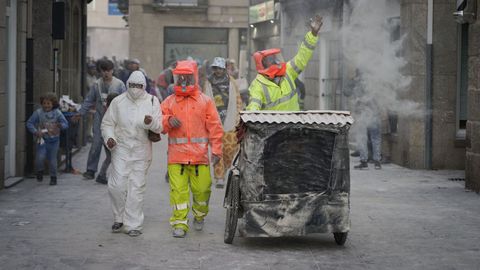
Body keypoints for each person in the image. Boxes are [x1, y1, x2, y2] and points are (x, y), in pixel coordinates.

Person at [161, 60, 223, 238]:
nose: (183, 81)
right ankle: (179, 223)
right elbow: (159, 124)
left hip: (199, 158)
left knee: (203, 190)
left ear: (194, 78)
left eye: (187, 78)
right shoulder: (169, 101)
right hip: (176, 158)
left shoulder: (205, 101)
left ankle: (199, 214)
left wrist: (217, 151)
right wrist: (167, 121)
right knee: (178, 192)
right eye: (180, 78)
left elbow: (215, 128)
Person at [101, 71, 162, 237]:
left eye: (139, 86)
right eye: (132, 85)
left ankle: (133, 224)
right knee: (117, 185)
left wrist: (151, 122)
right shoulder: (118, 102)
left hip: (142, 149)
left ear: (144, 86)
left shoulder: (152, 101)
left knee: (136, 186)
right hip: (121, 148)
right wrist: (110, 138)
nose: (135, 89)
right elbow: (107, 124)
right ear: (127, 85)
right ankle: (119, 217)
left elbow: (159, 127)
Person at [246, 15, 323, 111]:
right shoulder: (258, 85)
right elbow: (253, 107)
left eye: (274, 57)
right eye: (269, 59)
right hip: (273, 126)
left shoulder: (287, 71)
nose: (274, 61)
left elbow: (302, 57)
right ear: (262, 63)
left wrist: (313, 34)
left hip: (294, 124)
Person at [73, 59, 126, 182]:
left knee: (113, 147)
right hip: (99, 118)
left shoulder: (119, 85)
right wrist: (80, 113)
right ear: (100, 71)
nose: (106, 73)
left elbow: (125, 102)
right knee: (96, 144)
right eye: (103, 71)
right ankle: (91, 170)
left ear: (112, 70)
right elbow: (88, 101)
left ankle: (107, 173)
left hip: (114, 120)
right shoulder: (96, 85)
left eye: (108, 70)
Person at [204, 57, 243, 188]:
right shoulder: (208, 83)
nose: (218, 71)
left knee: (230, 149)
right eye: (216, 68)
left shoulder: (232, 82)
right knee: (217, 150)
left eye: (220, 68)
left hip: (230, 120)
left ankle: (224, 169)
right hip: (214, 122)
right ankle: (219, 176)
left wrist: (239, 114)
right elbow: (205, 100)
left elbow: (238, 100)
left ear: (224, 68)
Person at [26, 93, 69, 186]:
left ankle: (53, 177)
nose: (46, 105)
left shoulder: (57, 113)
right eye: (44, 103)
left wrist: (61, 125)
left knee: (53, 160)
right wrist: (35, 132)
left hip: (54, 141)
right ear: (42, 103)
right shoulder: (38, 113)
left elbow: (65, 124)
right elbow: (29, 123)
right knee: (39, 158)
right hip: (42, 140)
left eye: (48, 103)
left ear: (53, 104)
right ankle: (40, 171)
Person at [345, 69, 382, 170]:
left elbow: (346, 92)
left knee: (361, 137)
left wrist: (351, 81)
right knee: (375, 137)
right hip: (374, 111)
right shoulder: (375, 81)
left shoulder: (356, 82)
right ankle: (377, 162)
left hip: (361, 112)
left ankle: (364, 161)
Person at [95, 92, 119, 185]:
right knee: (112, 158)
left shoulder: (107, 109)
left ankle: (102, 174)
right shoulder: (110, 111)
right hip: (108, 138)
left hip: (106, 137)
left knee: (110, 158)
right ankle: (102, 175)